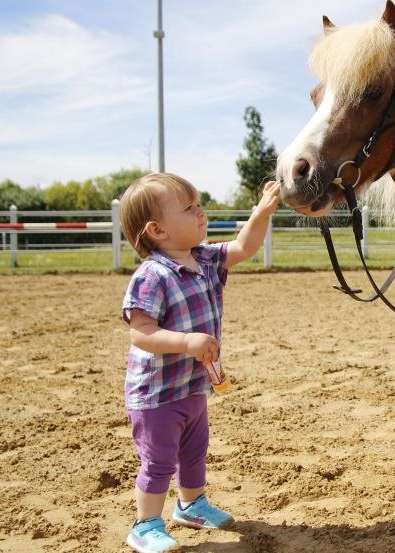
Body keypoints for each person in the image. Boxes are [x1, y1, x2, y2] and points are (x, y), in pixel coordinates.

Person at [117, 173, 280, 553]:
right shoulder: (151, 276)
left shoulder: (205, 258)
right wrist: (186, 342)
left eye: (198, 204)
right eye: (189, 208)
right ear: (157, 230)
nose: (201, 212)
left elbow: (243, 246)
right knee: (158, 462)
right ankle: (145, 525)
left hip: (192, 386)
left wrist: (262, 211)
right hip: (156, 394)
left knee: (194, 451)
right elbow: (140, 332)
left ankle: (191, 505)